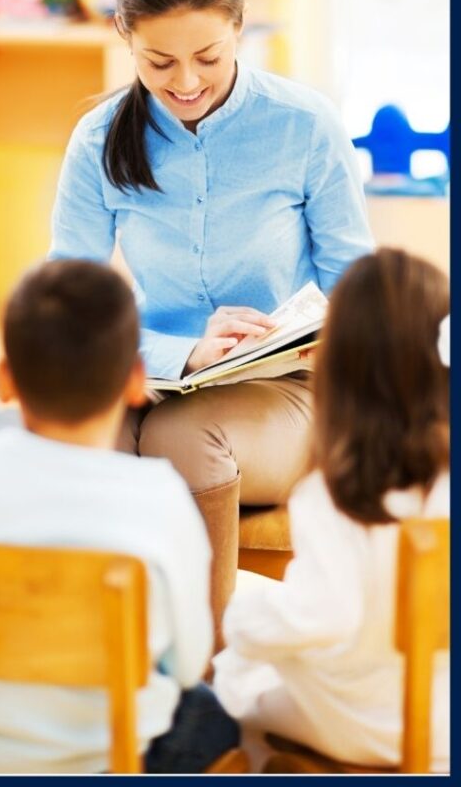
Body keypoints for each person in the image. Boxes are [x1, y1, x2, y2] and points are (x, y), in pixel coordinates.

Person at [48, 0, 373, 641]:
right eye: (159, 61)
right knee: (81, 432)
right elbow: (64, 305)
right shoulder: (99, 139)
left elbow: (358, 286)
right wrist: (181, 354)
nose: (187, 82)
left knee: (180, 435)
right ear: (124, 37)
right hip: (148, 376)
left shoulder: (303, 125)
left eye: (209, 57)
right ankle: (95, 658)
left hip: (283, 393)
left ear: (240, 28)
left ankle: (205, 666)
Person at [0, 259, 238, 774]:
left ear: (4, 381)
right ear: (136, 382)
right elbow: (185, 663)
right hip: (111, 757)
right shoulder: (159, 498)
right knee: (214, 710)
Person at [213, 248, 450, 770]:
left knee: (233, 678)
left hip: (363, 725)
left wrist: (239, 619)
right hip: (445, 727)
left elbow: (319, 615)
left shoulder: (338, 496)